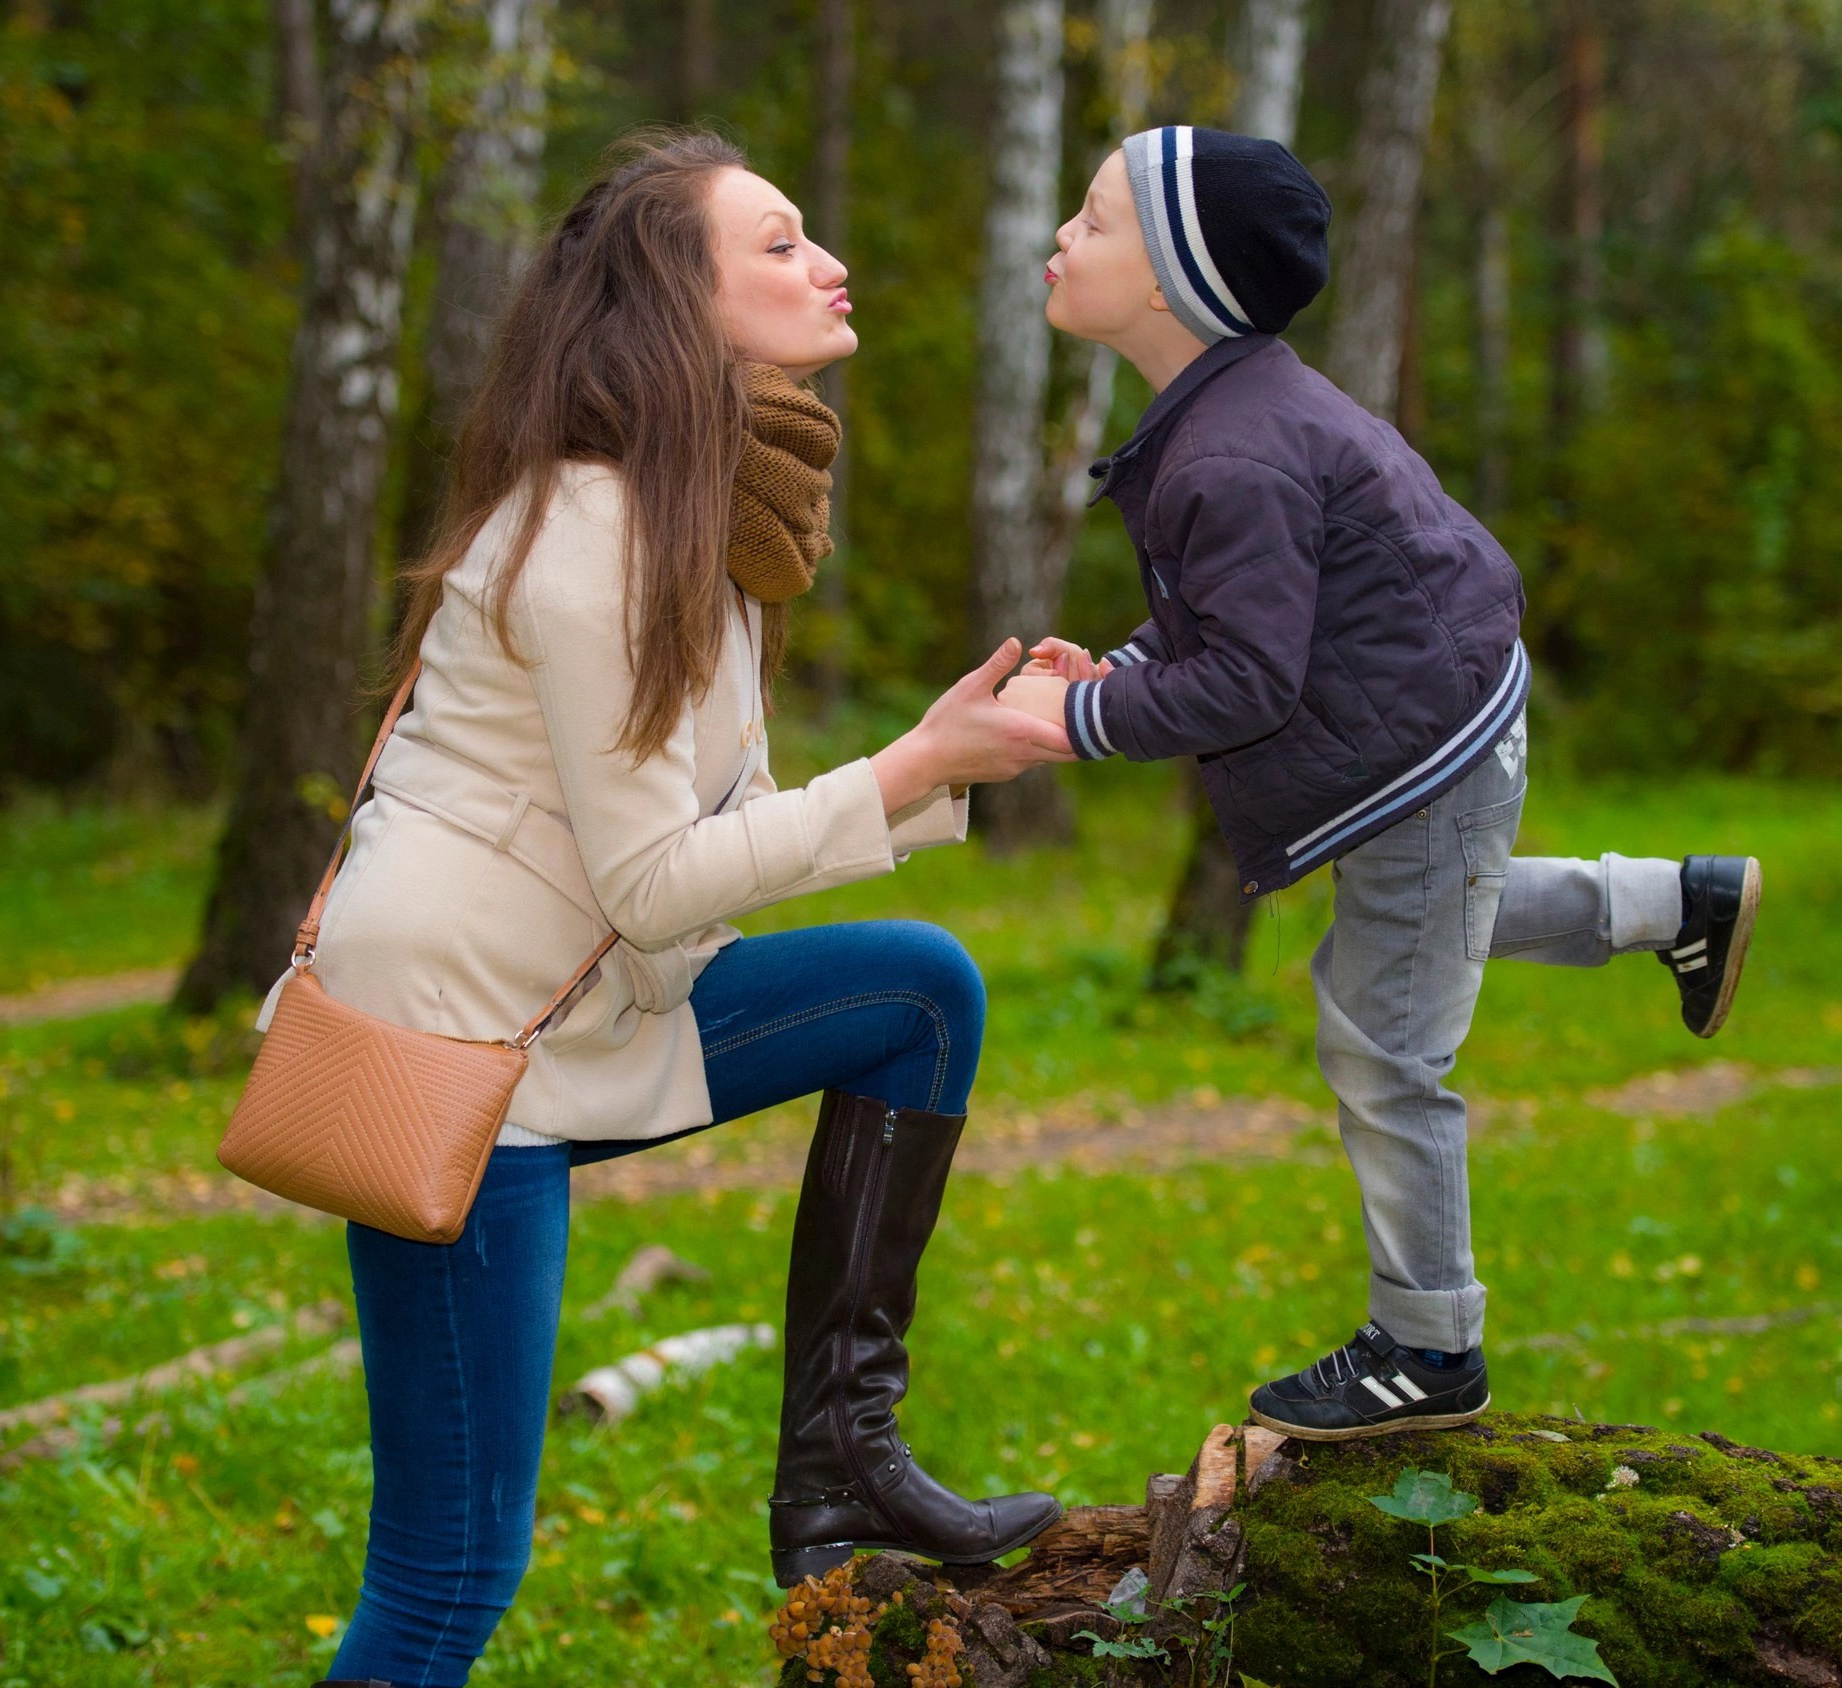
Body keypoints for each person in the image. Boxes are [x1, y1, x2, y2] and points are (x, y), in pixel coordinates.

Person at [303, 129, 1068, 1688]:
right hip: (457, 1057)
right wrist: (914, 762)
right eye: (779, 244)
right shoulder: (593, 527)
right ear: (679, 301)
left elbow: (692, 859)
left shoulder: (704, 524)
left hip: (581, 1015)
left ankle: (841, 1462)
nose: (826, 262)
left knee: (919, 995)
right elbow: (657, 888)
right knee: (451, 1576)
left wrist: (935, 765)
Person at [1000, 126, 1762, 1444]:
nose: (1060, 240)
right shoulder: (1227, 416)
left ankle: (1429, 1346)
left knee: (1381, 1035)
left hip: (1422, 740)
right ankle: (1676, 902)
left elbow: (1246, 684)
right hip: (1430, 713)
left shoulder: (1232, 450)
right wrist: (1116, 668)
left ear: (1183, 280)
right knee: (1421, 926)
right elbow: (1234, 624)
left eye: (1094, 220)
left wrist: (1080, 718)